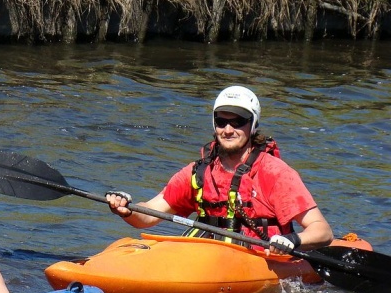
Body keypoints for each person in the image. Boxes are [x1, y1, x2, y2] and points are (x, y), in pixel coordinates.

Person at [106, 85, 333, 255]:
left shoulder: (275, 173)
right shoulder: (198, 172)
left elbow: (322, 231)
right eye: (221, 121)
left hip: (258, 258)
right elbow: (149, 215)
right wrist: (126, 209)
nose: (228, 129)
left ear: (252, 125)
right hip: (206, 253)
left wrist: (293, 240)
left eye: (238, 122)